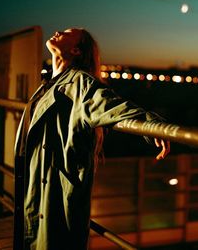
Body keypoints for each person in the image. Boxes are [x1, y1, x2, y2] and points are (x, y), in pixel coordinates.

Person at [14, 27, 170, 250]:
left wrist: (152, 124)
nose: (58, 31)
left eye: (67, 32)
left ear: (76, 50)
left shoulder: (81, 84)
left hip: (53, 203)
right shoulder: (47, 85)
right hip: (36, 197)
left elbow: (112, 105)